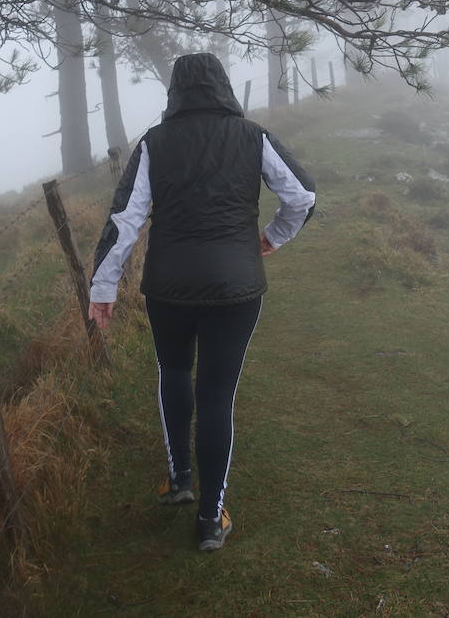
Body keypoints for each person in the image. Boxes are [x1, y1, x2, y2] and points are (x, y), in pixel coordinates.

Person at [87, 52, 316, 552]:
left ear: (175, 91)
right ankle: (211, 519)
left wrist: (103, 288)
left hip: (168, 286)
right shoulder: (252, 136)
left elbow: (125, 220)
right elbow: (301, 196)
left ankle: (180, 480)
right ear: (223, 86)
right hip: (236, 289)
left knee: (173, 371)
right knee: (217, 396)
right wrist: (273, 237)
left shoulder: (154, 142)